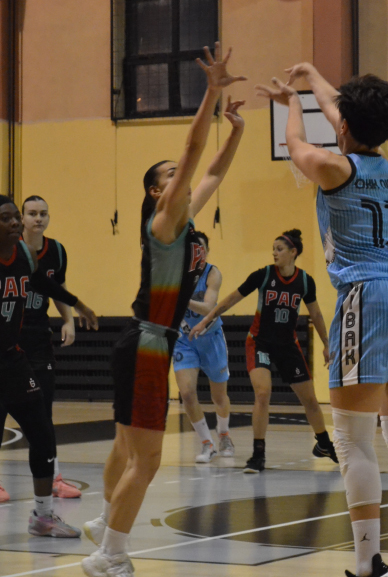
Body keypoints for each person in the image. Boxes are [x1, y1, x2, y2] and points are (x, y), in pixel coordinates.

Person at [254, 66, 388, 577]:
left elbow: (295, 143)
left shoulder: (330, 166)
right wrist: (313, 76)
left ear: (343, 125)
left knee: (351, 440)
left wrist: (292, 101)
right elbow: (343, 111)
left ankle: (369, 563)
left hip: (368, 297)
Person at [80, 43, 245, 577]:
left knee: (124, 447)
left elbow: (212, 172)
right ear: (158, 190)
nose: (185, 175)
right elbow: (194, 148)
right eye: (173, 174)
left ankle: (104, 523)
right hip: (150, 342)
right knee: (147, 460)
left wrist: (236, 132)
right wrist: (210, 94)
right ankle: (110, 554)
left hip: (142, 339)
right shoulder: (163, 221)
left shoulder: (183, 218)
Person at [0, 194, 98, 537]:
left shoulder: (25, 254)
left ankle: (42, 517)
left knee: (42, 434)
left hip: (9, 356)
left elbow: (40, 281)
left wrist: (78, 304)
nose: (15, 222)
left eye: (16, 216)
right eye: (6, 218)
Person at [190, 229, 337, 473]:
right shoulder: (264, 275)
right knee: (262, 393)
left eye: (279, 249)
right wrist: (205, 321)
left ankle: (323, 444)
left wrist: (327, 344)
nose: (274, 253)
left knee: (310, 400)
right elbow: (229, 300)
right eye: (273, 249)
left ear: (293, 252)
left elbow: (317, 314)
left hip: (288, 346)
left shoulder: (305, 281)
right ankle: (258, 454)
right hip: (260, 343)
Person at [0, 195, 82, 503]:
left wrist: (68, 320)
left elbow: (58, 289)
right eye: (32, 213)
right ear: (21, 218)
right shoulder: (6, 249)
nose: (38, 218)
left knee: (43, 412)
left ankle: (54, 477)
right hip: (5, 340)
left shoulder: (57, 251)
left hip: (38, 339)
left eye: (43, 213)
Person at [174, 230, 234, 462]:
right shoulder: (176, 273)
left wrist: (182, 300)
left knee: (219, 396)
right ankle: (206, 443)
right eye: (194, 250)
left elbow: (209, 307)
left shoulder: (212, 273)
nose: (198, 254)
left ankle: (224, 435)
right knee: (187, 393)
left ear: (206, 252)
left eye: (202, 250)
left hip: (211, 338)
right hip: (184, 340)